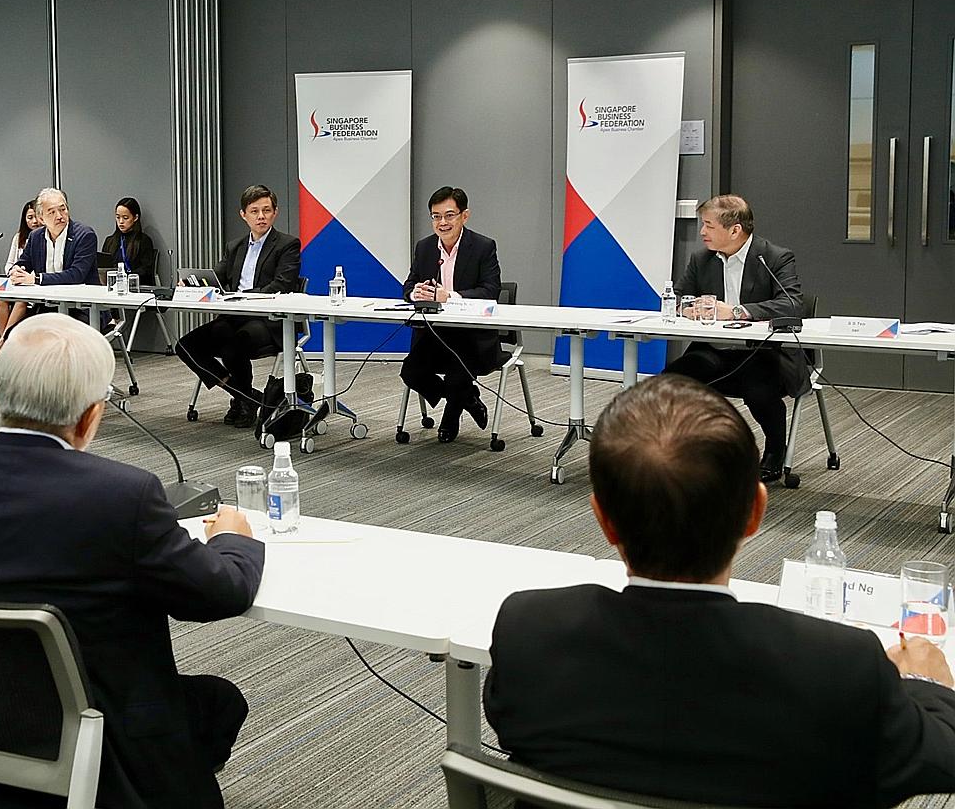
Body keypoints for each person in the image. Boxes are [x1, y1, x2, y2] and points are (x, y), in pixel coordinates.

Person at [0, 313, 264, 809]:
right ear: (92, 416)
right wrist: (235, 539)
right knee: (218, 702)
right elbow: (220, 594)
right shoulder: (124, 496)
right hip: (86, 756)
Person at [485, 374, 955, 807]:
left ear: (602, 518)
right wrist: (926, 684)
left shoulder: (528, 632)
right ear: (756, 511)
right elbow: (943, 756)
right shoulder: (841, 666)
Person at [664, 193, 805, 483]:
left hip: (763, 353)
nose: (702, 232)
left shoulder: (774, 257)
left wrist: (738, 311)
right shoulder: (701, 259)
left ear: (735, 230)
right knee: (669, 382)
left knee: (758, 390)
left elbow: (793, 304)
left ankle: (775, 451)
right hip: (714, 351)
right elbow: (677, 297)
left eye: (708, 226)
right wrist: (687, 309)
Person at [173, 184, 300, 428]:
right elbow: (217, 277)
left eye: (266, 210)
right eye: (254, 211)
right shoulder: (234, 246)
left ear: (276, 212)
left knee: (233, 344)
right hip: (234, 316)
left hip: (268, 320)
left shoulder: (287, 244)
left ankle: (243, 402)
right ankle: (246, 397)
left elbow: (281, 285)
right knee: (186, 346)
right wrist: (193, 283)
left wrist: (241, 296)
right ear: (243, 215)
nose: (261, 216)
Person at [398, 186, 502, 443]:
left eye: (449, 215)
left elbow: (491, 292)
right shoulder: (424, 248)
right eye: (436, 216)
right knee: (410, 372)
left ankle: (454, 408)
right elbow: (408, 286)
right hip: (434, 335)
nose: (442, 223)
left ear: (464, 216)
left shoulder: (483, 247)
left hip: (472, 337)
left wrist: (451, 297)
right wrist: (416, 294)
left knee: (458, 374)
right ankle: (468, 397)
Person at [0, 188, 99, 356]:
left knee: (55, 341)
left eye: (63, 209)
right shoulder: (36, 237)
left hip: (81, 308)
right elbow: (24, 263)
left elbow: (76, 275)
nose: (60, 216)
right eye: (52, 212)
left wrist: (36, 279)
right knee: (12, 336)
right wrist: (17, 271)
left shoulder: (84, 235)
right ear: (41, 218)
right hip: (46, 308)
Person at [0, 199, 39, 357]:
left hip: (32, 284)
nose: (33, 221)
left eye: (36, 217)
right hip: (16, 280)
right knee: (1, 298)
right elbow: (10, 264)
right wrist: (14, 272)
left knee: (21, 299)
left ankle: (4, 342)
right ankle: (3, 338)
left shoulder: (43, 237)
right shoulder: (18, 237)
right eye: (29, 217)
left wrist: (28, 277)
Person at [99, 197, 158, 286]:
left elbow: (146, 270)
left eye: (125, 218)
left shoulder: (143, 241)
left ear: (135, 218)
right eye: (118, 217)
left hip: (136, 287)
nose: (121, 222)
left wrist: (127, 278)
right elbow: (103, 267)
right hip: (112, 287)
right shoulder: (110, 241)